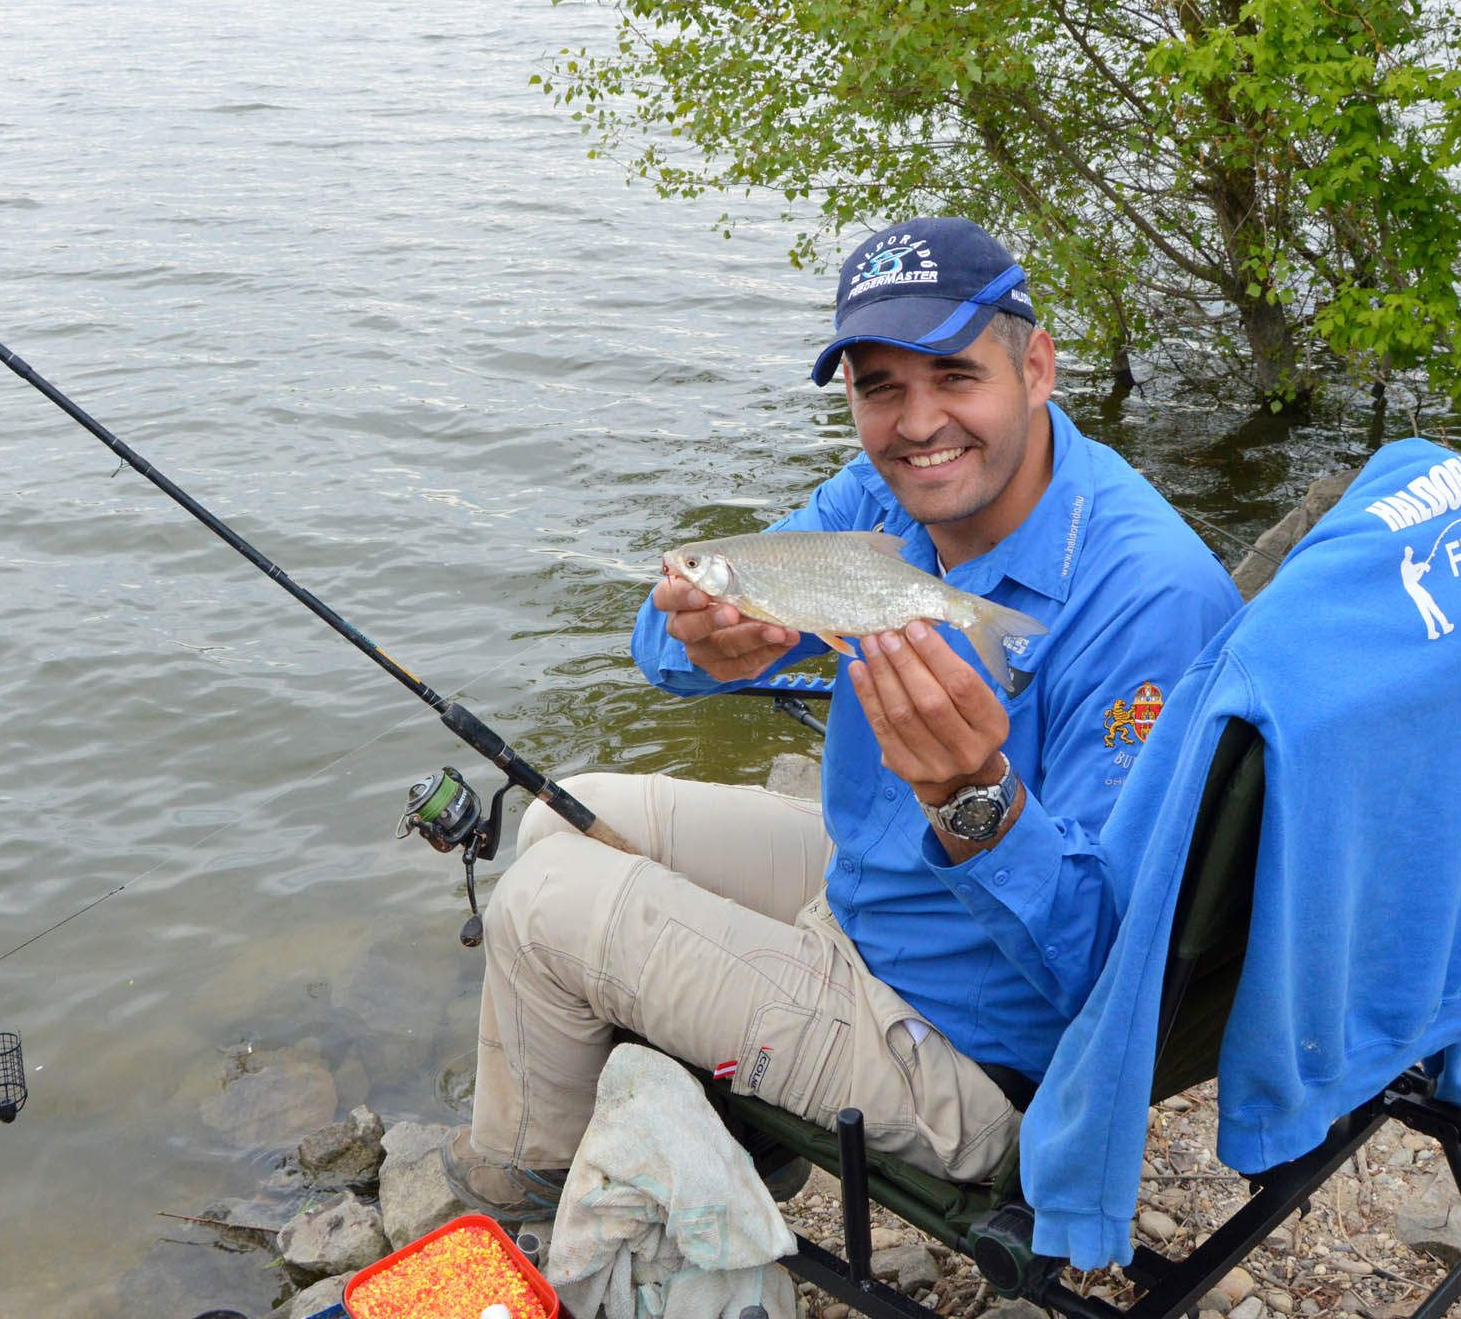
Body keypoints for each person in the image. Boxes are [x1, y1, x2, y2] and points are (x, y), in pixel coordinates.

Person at [442, 217, 1243, 1221]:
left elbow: (1110, 978)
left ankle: (527, 1206)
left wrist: (974, 799)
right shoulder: (882, 497)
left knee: (539, 905)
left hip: (977, 1055)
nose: (918, 425)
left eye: (955, 377)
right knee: (564, 813)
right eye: (880, 388)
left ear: (1036, 368)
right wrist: (698, 641)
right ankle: (735, 1140)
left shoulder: (1149, 601)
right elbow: (673, 628)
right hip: (875, 901)